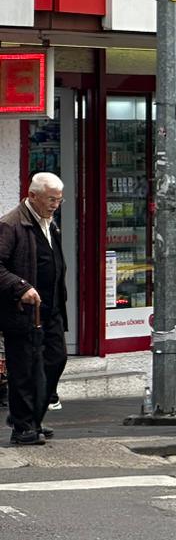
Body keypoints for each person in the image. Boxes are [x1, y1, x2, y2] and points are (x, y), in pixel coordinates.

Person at [0, 173, 69, 445]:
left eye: (59, 200)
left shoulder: (49, 222)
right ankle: (23, 428)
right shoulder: (11, 224)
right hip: (22, 311)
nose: (55, 205)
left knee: (56, 359)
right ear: (33, 196)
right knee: (24, 369)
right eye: (51, 199)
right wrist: (21, 287)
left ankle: (31, 417)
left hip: (51, 309)